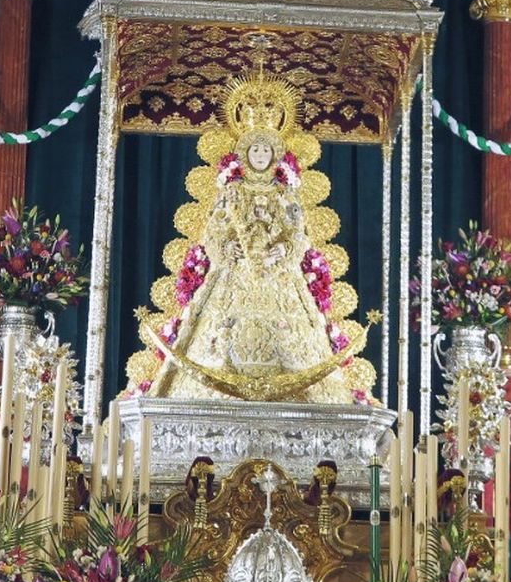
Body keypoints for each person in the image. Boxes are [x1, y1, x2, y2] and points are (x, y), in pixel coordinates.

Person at [140, 77, 368, 405]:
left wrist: (284, 250)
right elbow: (214, 231)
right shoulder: (231, 193)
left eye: (265, 149)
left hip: (279, 279)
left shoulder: (285, 195)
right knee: (215, 340)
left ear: (274, 154)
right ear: (245, 154)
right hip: (233, 274)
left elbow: (297, 235)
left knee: (295, 344)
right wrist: (224, 248)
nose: (260, 155)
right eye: (254, 149)